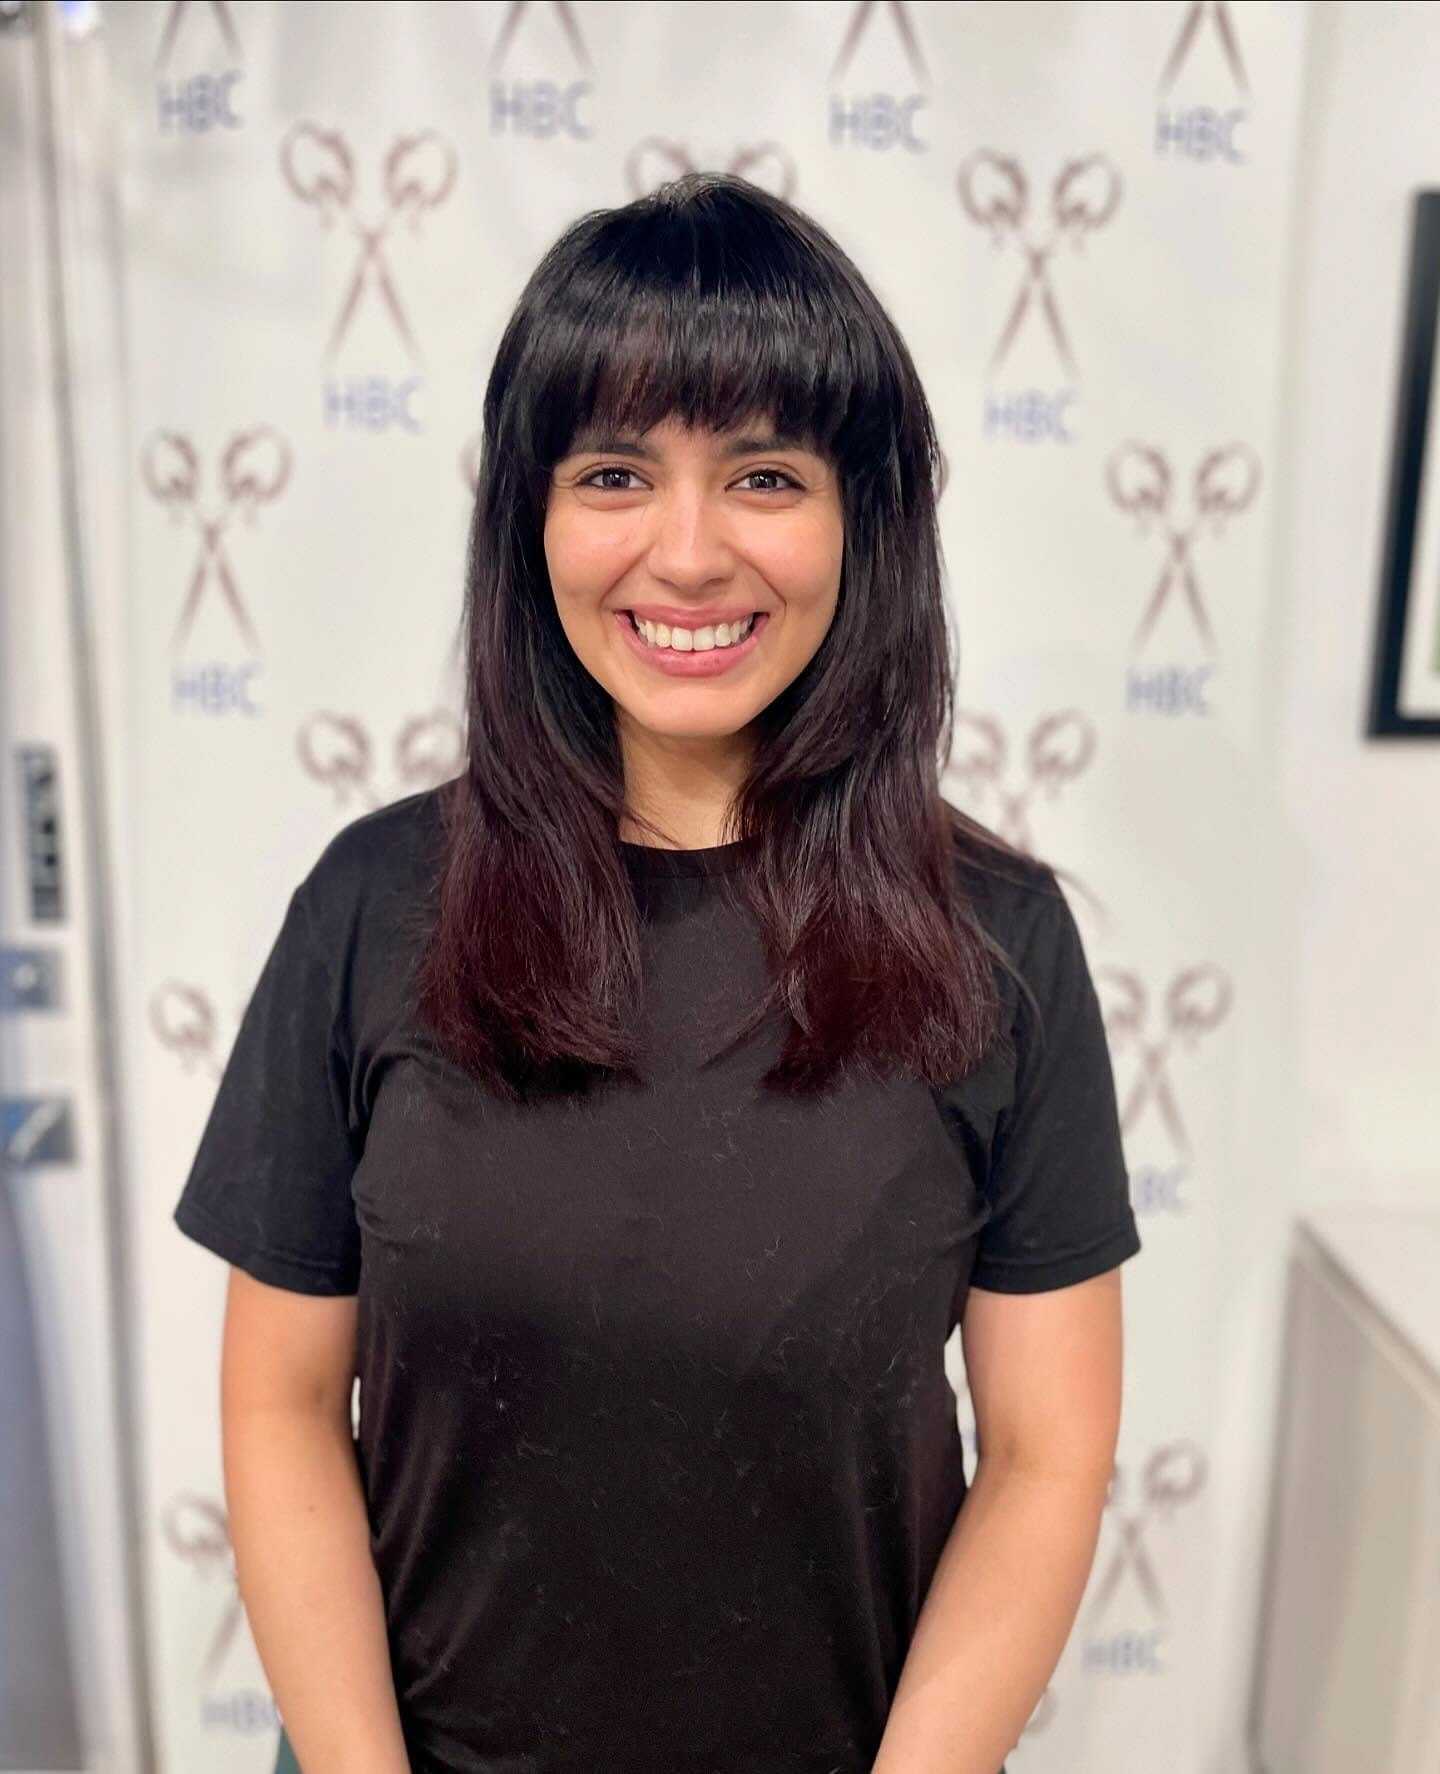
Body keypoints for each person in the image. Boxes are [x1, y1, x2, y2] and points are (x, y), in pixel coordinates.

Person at [174, 170, 1141, 1774]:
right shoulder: (375, 903)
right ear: (531, 518)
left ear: (861, 522)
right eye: (617, 471)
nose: (686, 555)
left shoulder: (1001, 941)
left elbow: (1048, 1449)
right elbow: (280, 1406)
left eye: (764, 474)